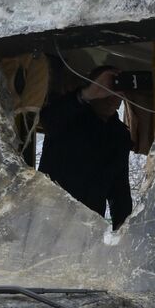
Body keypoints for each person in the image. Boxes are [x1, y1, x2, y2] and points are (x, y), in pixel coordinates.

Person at [37, 64, 134, 229]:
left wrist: (123, 230)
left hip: (89, 224)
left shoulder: (119, 135)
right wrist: (86, 94)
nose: (112, 98)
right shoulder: (70, 116)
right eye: (107, 90)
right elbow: (47, 120)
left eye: (118, 92)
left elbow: (120, 189)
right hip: (49, 217)